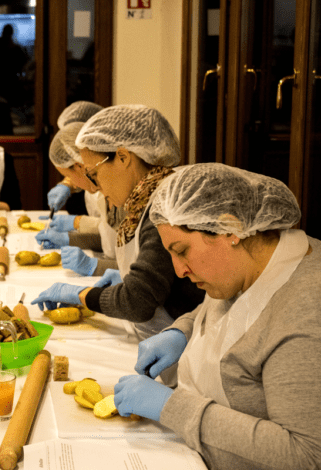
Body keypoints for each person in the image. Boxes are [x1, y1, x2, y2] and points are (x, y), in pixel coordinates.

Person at [114, 163, 321, 469]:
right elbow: (230, 310)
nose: (179, 270)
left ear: (230, 228)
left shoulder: (304, 314)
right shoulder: (249, 265)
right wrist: (182, 332)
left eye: (182, 250)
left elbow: (304, 455)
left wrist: (172, 407)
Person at [31, 105, 204, 354]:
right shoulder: (143, 200)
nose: (95, 186)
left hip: (181, 348)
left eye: (94, 173)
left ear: (123, 158)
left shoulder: (164, 208)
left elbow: (138, 301)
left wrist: (82, 294)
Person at [38, 121, 124, 262]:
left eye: (69, 176)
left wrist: (94, 266)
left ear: (79, 166)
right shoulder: (104, 193)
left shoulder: (119, 194)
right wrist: (70, 239)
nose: (71, 183)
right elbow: (109, 239)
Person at [0, 24, 29, 106]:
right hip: (11, 88)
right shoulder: (16, 49)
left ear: (2, 32)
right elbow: (24, 65)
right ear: (12, 34)